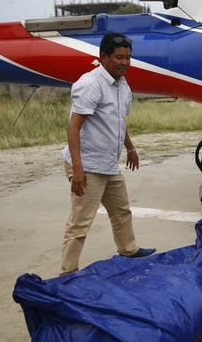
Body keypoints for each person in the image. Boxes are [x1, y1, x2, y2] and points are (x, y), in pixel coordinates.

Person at [60, 32, 155, 275]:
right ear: (103, 57)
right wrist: (78, 170)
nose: (125, 62)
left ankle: (129, 250)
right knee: (80, 222)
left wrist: (130, 147)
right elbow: (74, 127)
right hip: (88, 165)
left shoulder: (123, 85)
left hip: (108, 163)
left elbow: (117, 122)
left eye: (128, 58)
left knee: (121, 211)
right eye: (119, 57)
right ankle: (67, 273)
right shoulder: (90, 84)